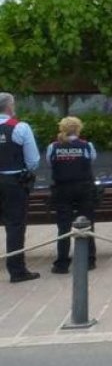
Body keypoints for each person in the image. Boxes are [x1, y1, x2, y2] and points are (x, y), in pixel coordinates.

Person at [46, 117, 98, 274]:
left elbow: (50, 163)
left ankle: (62, 263)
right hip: (84, 188)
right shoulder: (86, 146)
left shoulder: (53, 147)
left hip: (62, 189)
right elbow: (91, 161)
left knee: (63, 227)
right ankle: (89, 260)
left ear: (61, 129)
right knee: (87, 224)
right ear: (78, 129)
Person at [0, 93, 42, 283]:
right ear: (9, 107)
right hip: (13, 181)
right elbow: (33, 161)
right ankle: (17, 270)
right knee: (15, 225)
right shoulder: (20, 127)